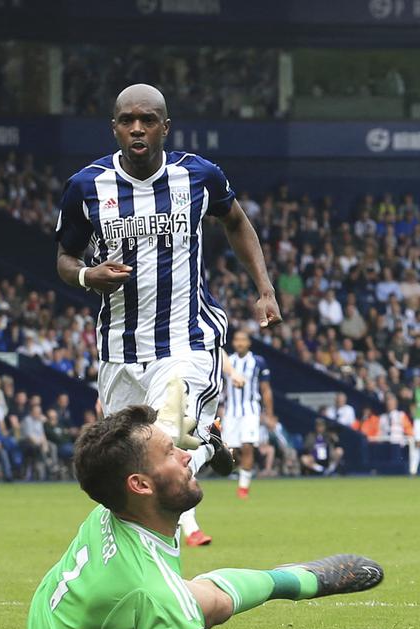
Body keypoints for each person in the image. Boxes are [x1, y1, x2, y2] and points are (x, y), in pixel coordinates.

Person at [21, 405, 417, 629]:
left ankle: (297, 579)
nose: (186, 456)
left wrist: (191, 440)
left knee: (208, 599)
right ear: (140, 485)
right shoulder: (150, 587)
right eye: (171, 452)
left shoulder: (112, 504)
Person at [53, 84, 282, 547]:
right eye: (127, 120)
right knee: (125, 476)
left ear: (165, 127)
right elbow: (65, 258)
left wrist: (264, 288)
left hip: (186, 339)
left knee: (165, 444)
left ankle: (199, 448)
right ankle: (204, 449)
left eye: (148, 120)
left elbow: (236, 221)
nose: (137, 128)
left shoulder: (198, 176)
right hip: (119, 350)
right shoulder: (86, 187)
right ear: (115, 128)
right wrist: (87, 276)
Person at [221, 329, 273, 499]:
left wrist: (270, 414)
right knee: (231, 451)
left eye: (243, 340)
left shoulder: (258, 362)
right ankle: (242, 470)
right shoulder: (227, 362)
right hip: (231, 411)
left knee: (247, 446)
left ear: (249, 343)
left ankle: (243, 488)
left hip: (250, 410)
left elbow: (265, 390)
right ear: (233, 342)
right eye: (237, 340)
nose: (240, 343)